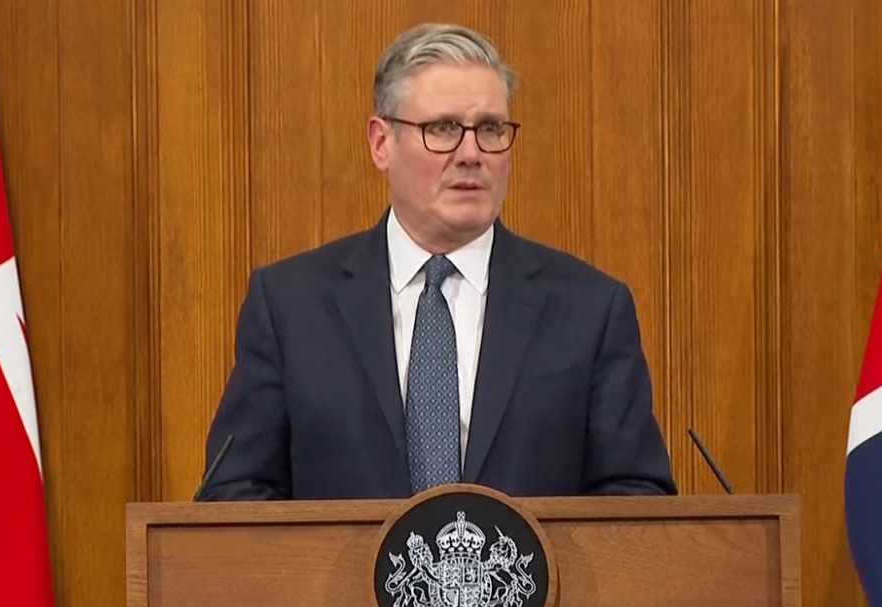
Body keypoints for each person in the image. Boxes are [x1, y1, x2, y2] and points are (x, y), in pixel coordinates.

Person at [199, 22, 677, 501]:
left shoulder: (590, 310)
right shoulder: (291, 307)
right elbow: (235, 491)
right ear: (381, 143)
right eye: (443, 129)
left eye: (491, 129)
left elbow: (636, 498)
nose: (471, 154)